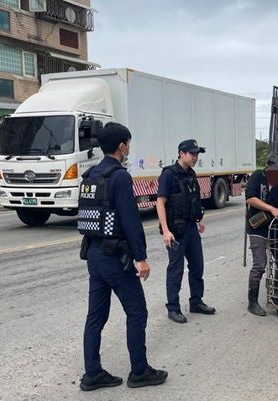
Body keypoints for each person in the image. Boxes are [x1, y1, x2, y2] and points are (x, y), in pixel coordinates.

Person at [78, 122, 167, 391]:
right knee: (137, 312)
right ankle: (139, 371)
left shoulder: (91, 174)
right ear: (121, 145)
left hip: (94, 253)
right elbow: (130, 221)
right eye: (128, 143)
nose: (129, 148)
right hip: (116, 257)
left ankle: (92, 373)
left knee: (95, 317)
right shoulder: (119, 177)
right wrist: (141, 257)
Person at [157, 139, 216, 323]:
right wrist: (165, 231)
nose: (195, 157)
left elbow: (193, 200)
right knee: (176, 270)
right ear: (181, 153)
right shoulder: (168, 174)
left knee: (197, 266)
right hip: (175, 230)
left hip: (191, 227)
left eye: (197, 154)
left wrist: (199, 220)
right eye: (192, 154)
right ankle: (173, 308)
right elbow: (160, 202)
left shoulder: (191, 173)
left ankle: (196, 302)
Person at [245, 152, 278, 316]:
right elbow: (250, 198)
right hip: (257, 227)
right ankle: (252, 302)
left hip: (276, 228)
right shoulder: (257, 176)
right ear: (267, 168)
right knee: (259, 265)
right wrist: (271, 208)